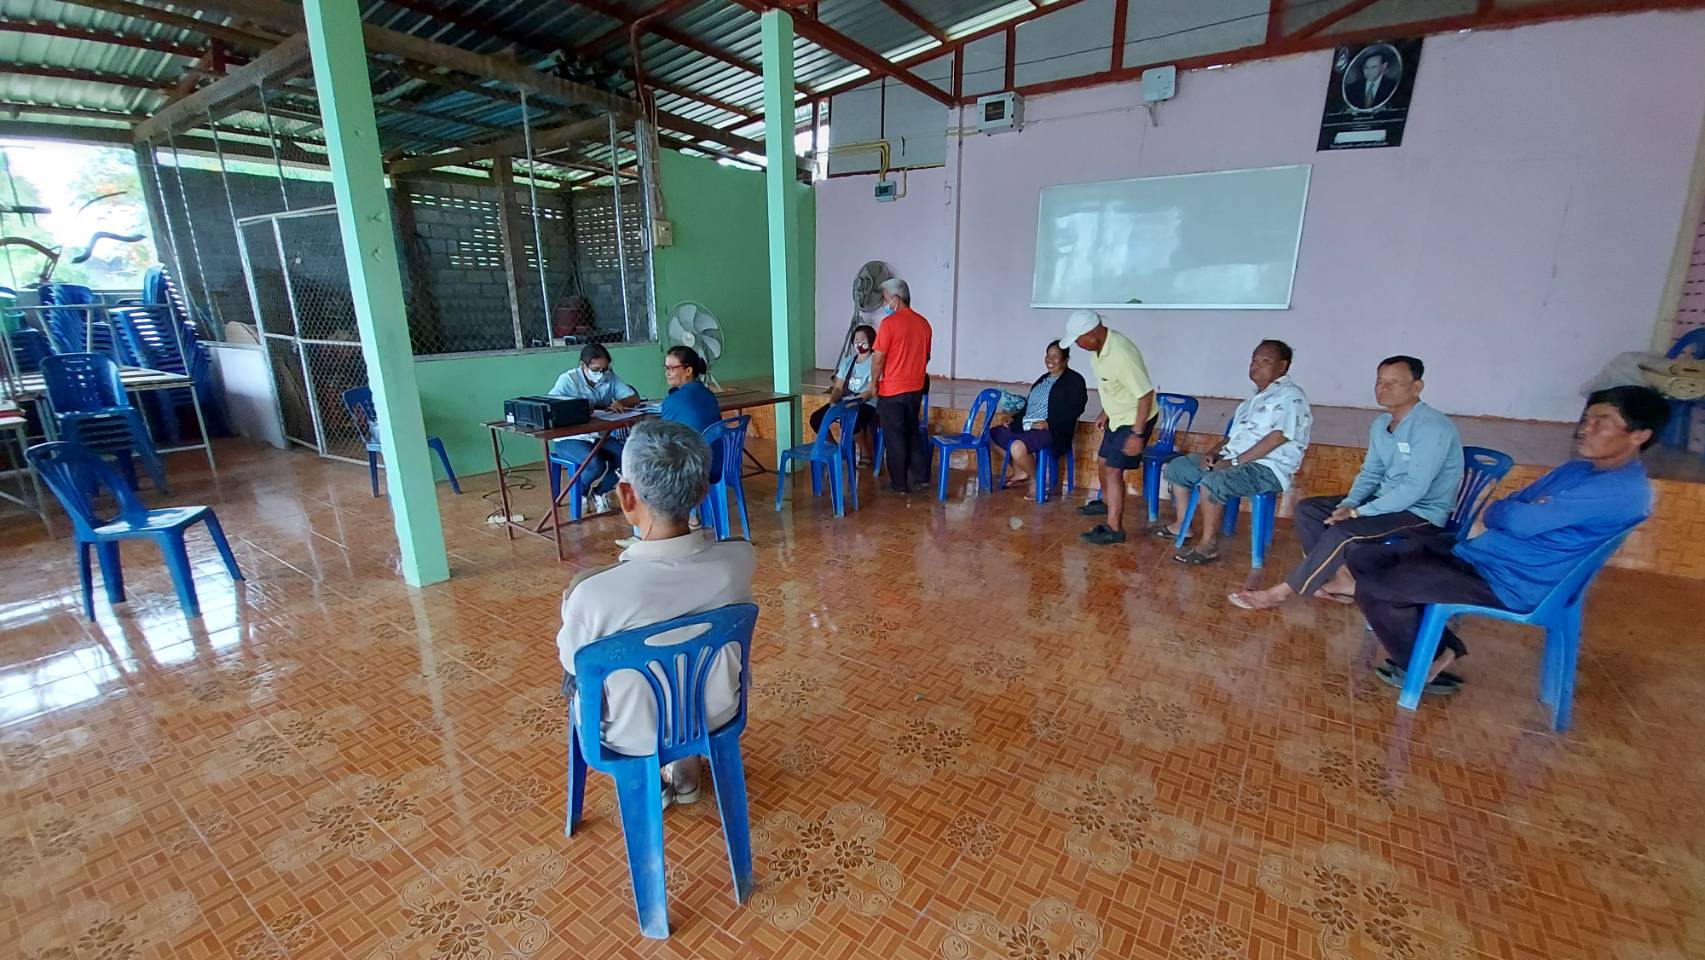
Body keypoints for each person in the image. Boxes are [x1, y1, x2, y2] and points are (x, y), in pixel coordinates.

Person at [1346, 385, 1668, 696]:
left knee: (1381, 584)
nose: (1586, 429)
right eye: (1587, 419)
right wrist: (1520, 513)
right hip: (1483, 556)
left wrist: (1521, 513)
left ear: (1640, 435)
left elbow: (1518, 518)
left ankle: (1427, 661)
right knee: (1367, 556)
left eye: (1603, 423)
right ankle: (1438, 646)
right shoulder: (1578, 471)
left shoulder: (1621, 491)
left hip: (1509, 581)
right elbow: (1503, 509)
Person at [555, 419, 756, 805]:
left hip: (630, 735)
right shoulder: (740, 559)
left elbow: (572, 665)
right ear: (701, 491)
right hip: (717, 716)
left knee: (577, 674)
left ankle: (653, 780)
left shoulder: (593, 592)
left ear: (627, 497)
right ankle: (686, 765)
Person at [1230, 355, 1462, 610]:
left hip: (1420, 512)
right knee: (1309, 510)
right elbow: (1371, 472)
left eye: (1393, 383)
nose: (1383, 388)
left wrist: (1357, 512)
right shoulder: (1382, 424)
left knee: (1344, 530)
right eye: (1380, 381)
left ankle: (1280, 592)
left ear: (1417, 387)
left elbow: (1414, 490)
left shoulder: (1432, 427)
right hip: (1386, 501)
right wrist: (1349, 503)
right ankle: (1343, 580)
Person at [1159, 340, 1312, 565]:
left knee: (1214, 481)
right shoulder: (1252, 400)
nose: (1256, 365)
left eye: (1265, 361)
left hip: (1267, 468)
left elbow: (1278, 437)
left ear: (1283, 366)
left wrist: (1233, 463)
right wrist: (1213, 452)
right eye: (1254, 360)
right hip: (1234, 460)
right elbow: (1232, 438)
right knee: (1179, 467)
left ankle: (1208, 546)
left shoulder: (1291, 396)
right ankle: (1183, 524)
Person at [1060, 310, 1158, 545]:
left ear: (1092, 333)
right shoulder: (1099, 352)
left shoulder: (1121, 354)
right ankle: (1105, 502)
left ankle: (1114, 528)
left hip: (1135, 418)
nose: (1079, 346)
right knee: (1103, 462)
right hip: (1118, 416)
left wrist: (1137, 433)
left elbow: (1145, 395)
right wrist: (1106, 412)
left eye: (1079, 340)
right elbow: (1113, 387)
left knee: (1114, 470)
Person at [991, 341, 1088, 501]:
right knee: (991, 436)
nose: (1050, 359)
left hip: (1052, 430)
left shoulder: (1074, 380)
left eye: (1055, 356)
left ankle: (1036, 479)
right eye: (1048, 355)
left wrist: (1049, 423)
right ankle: (1021, 469)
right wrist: (1014, 417)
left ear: (1065, 359)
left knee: (1016, 447)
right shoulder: (1043, 379)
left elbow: (1075, 409)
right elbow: (1031, 405)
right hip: (1027, 425)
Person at [548, 343, 641, 502]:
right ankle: (580, 493)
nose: (601, 373)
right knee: (594, 464)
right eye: (596, 370)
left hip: (597, 434)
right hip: (571, 438)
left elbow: (634, 397)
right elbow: (550, 406)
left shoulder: (610, 377)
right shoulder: (568, 380)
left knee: (628, 458)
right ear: (583, 365)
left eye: (605, 369)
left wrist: (622, 402)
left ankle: (600, 492)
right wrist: (578, 409)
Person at [871, 278, 933, 494]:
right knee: (912, 430)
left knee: (895, 436)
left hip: (892, 390)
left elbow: (878, 359)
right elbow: (926, 357)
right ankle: (922, 477)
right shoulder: (924, 323)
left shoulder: (889, 324)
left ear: (896, 299)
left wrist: (873, 384)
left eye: (886, 299)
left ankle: (899, 483)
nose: (884, 303)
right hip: (915, 388)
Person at [810, 324, 880, 465]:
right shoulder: (848, 362)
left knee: (849, 419)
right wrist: (833, 402)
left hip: (866, 403)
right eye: (856, 339)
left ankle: (865, 449)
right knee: (816, 419)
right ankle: (834, 448)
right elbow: (838, 387)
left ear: (871, 340)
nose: (858, 342)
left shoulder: (875, 362)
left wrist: (854, 403)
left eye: (862, 339)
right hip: (846, 402)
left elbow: (871, 391)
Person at [661, 344, 724, 483]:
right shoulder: (708, 394)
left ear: (688, 370)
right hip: (719, 465)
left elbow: (665, 439)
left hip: (693, 470)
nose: (667, 372)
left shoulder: (673, 400)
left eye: (671, 368)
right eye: (665, 367)